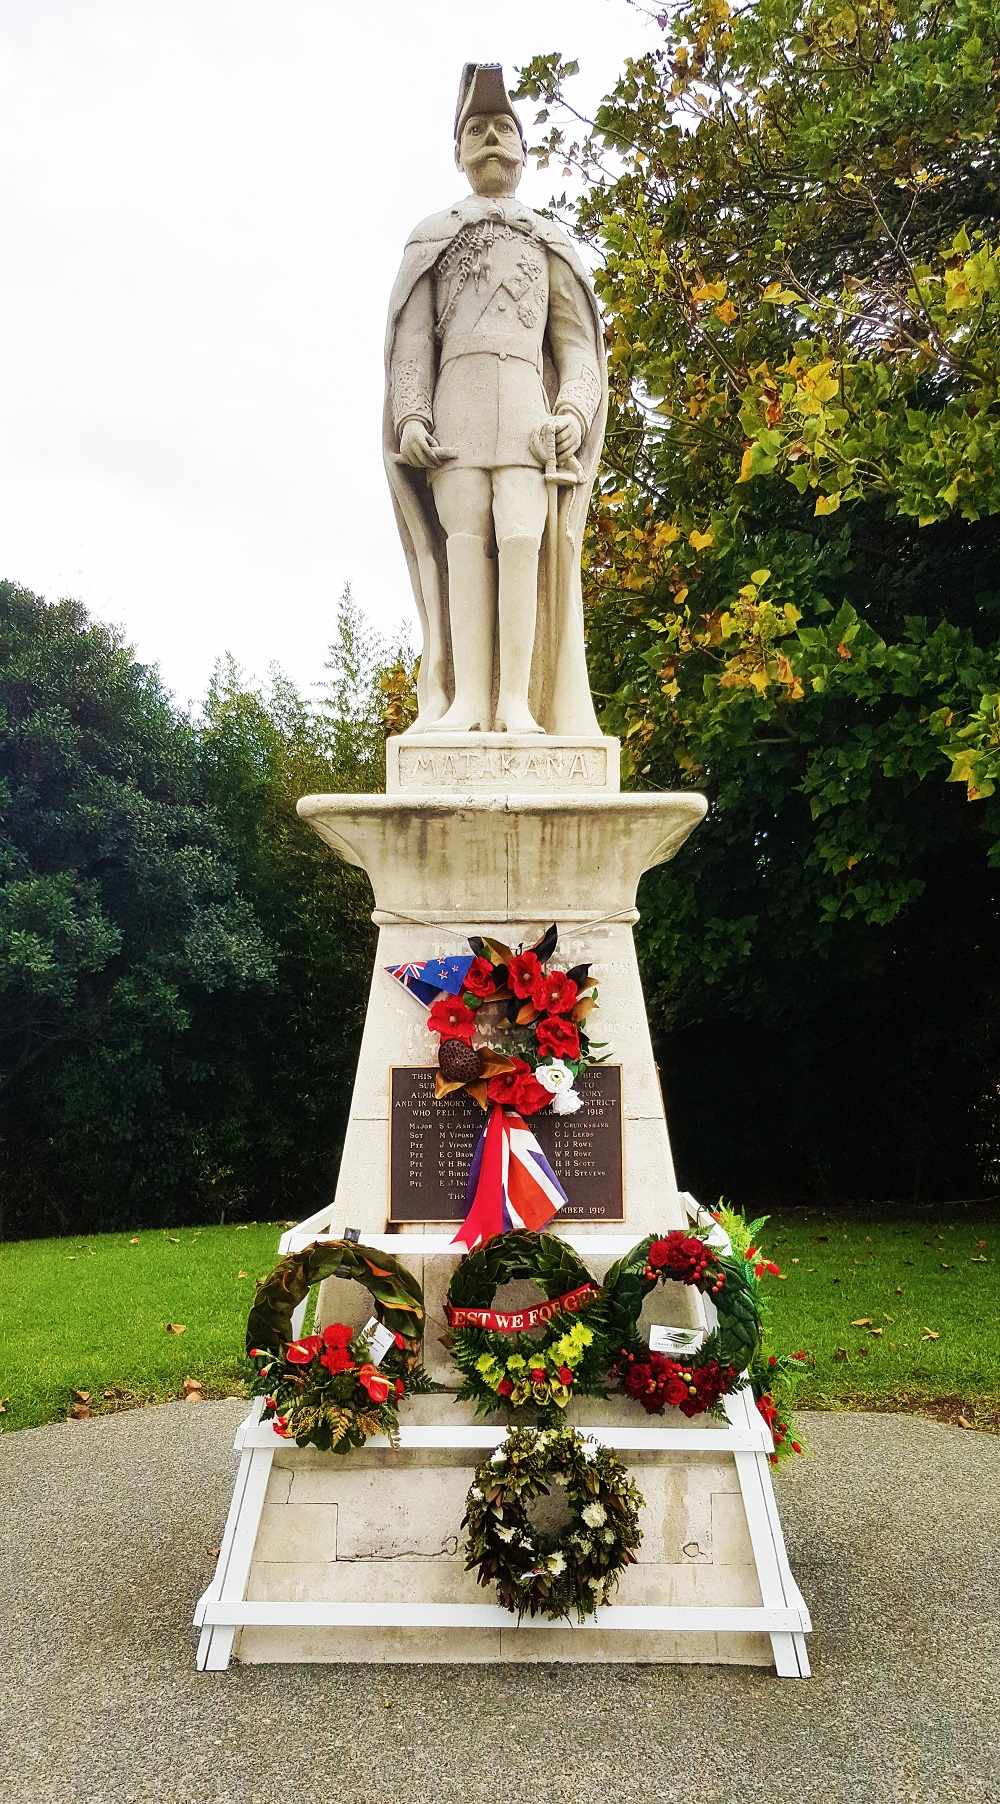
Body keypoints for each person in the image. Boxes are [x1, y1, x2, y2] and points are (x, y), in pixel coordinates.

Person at [383, 62, 607, 736]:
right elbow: (413, 342)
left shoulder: (549, 242)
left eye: (502, 127)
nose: (489, 138)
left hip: (528, 417)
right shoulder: (432, 236)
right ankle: (469, 702)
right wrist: (411, 414)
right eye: (475, 129)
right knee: (463, 538)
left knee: (521, 533)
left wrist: (570, 412)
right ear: (457, 151)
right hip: (458, 407)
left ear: (522, 150)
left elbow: (577, 351)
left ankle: (518, 703)